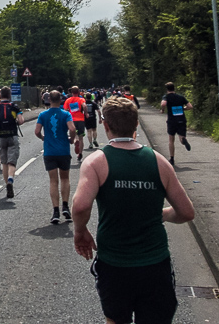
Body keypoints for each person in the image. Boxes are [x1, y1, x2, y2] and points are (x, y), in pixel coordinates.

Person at [71, 96, 195, 324]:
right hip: (155, 263)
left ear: (105, 125)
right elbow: (186, 212)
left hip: (114, 263)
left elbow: (80, 206)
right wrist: (163, 214)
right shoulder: (158, 161)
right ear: (136, 124)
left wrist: (80, 232)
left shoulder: (96, 161)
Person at [35, 90, 74, 224]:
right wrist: (71, 139)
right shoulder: (66, 114)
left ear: (49, 100)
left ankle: (56, 211)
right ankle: (66, 206)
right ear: (61, 100)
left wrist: (43, 138)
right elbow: (73, 129)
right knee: (65, 178)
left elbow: (37, 131)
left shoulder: (43, 114)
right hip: (63, 150)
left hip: (50, 152)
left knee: (53, 181)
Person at [0, 86, 24, 197]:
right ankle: (11, 180)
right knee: (12, 161)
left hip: (0, 136)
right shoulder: (14, 106)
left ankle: (6, 184)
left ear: (0, 95)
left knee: (4, 162)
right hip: (12, 135)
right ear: (9, 95)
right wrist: (16, 120)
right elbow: (21, 121)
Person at [160, 82, 194, 166]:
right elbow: (190, 106)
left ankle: (172, 159)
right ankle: (183, 140)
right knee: (181, 137)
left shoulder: (166, 96)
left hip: (172, 120)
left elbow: (163, 103)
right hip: (181, 119)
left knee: (171, 140)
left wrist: (163, 110)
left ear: (167, 89)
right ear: (174, 88)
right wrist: (183, 109)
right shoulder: (180, 97)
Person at [63, 87, 88, 162]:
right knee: (81, 138)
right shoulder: (81, 99)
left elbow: (65, 110)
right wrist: (86, 113)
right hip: (80, 119)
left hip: (71, 120)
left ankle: (75, 141)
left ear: (71, 92)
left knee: (73, 136)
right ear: (79, 92)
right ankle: (80, 153)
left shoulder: (68, 100)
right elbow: (84, 106)